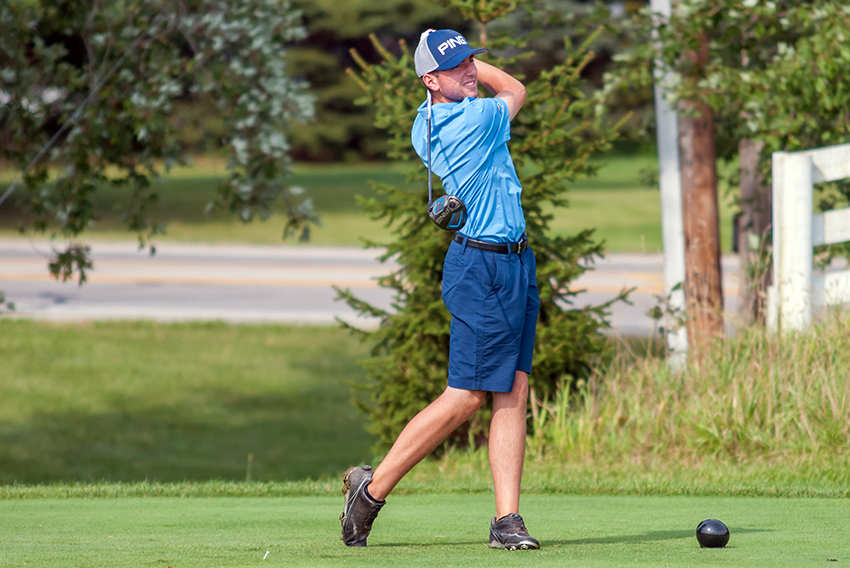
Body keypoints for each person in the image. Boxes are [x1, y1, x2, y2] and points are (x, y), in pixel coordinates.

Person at [339, 28, 540, 551]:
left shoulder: (425, 120)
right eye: (456, 69)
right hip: (484, 269)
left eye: (472, 62)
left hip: (515, 261)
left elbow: (480, 86)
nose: (470, 72)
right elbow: (515, 90)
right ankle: (371, 489)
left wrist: (460, 62)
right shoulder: (472, 120)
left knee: (511, 389)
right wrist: (481, 73)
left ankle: (507, 521)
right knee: (467, 396)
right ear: (429, 79)